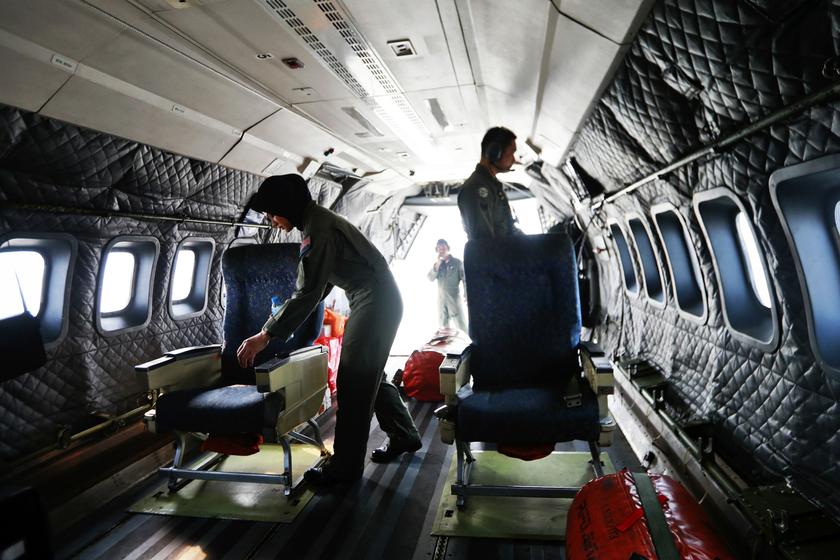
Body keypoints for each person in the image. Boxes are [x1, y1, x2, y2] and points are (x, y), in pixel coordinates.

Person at [236, 174, 421, 487]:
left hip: (374, 299)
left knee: (352, 381)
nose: (270, 219)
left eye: (271, 212)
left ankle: (344, 470)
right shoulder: (317, 221)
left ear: (286, 206)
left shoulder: (317, 228)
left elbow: (308, 289)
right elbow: (320, 284)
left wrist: (265, 334)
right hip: (377, 297)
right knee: (367, 374)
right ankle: (403, 434)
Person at [458, 126, 521, 240]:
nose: (513, 159)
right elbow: (485, 245)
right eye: (511, 152)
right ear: (494, 152)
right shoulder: (476, 188)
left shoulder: (491, 184)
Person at [426, 239, 467, 332]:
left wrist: (467, 294)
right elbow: (430, 278)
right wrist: (437, 265)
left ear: (447, 248)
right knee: (443, 330)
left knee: (461, 327)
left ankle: (469, 345)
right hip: (441, 302)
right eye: (439, 248)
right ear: (437, 250)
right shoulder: (438, 266)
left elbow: (465, 280)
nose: (441, 249)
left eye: (443, 246)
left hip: (454, 300)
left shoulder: (457, 263)